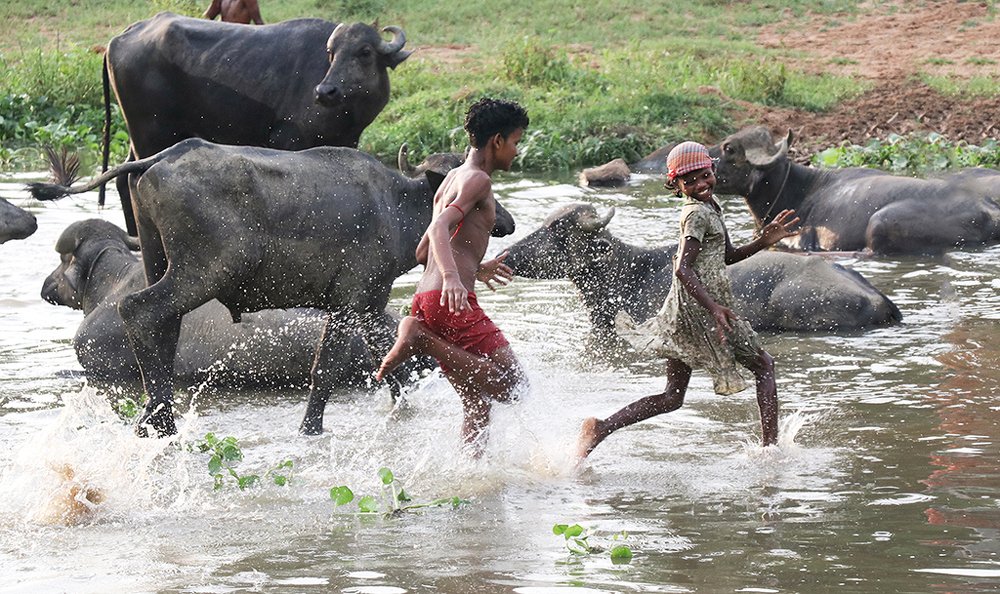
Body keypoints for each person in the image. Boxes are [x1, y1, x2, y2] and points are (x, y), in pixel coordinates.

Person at [576, 141, 800, 459]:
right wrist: (714, 308)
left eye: (705, 175)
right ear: (676, 185)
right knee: (764, 365)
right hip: (700, 310)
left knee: (672, 397)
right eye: (690, 180)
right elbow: (683, 269)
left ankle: (600, 428)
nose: (701, 184)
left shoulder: (710, 206)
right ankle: (770, 451)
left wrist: (763, 241)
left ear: (713, 170)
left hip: (691, 308)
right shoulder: (695, 214)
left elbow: (726, 256)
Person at [376, 97, 530, 455]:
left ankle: (471, 472)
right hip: (448, 300)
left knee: (477, 403)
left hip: (426, 300)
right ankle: (419, 339)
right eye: (515, 141)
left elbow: (422, 251)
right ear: (497, 141)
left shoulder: (450, 180)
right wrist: (452, 277)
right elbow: (439, 227)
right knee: (514, 387)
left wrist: (474, 267)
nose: (517, 150)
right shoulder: (478, 180)